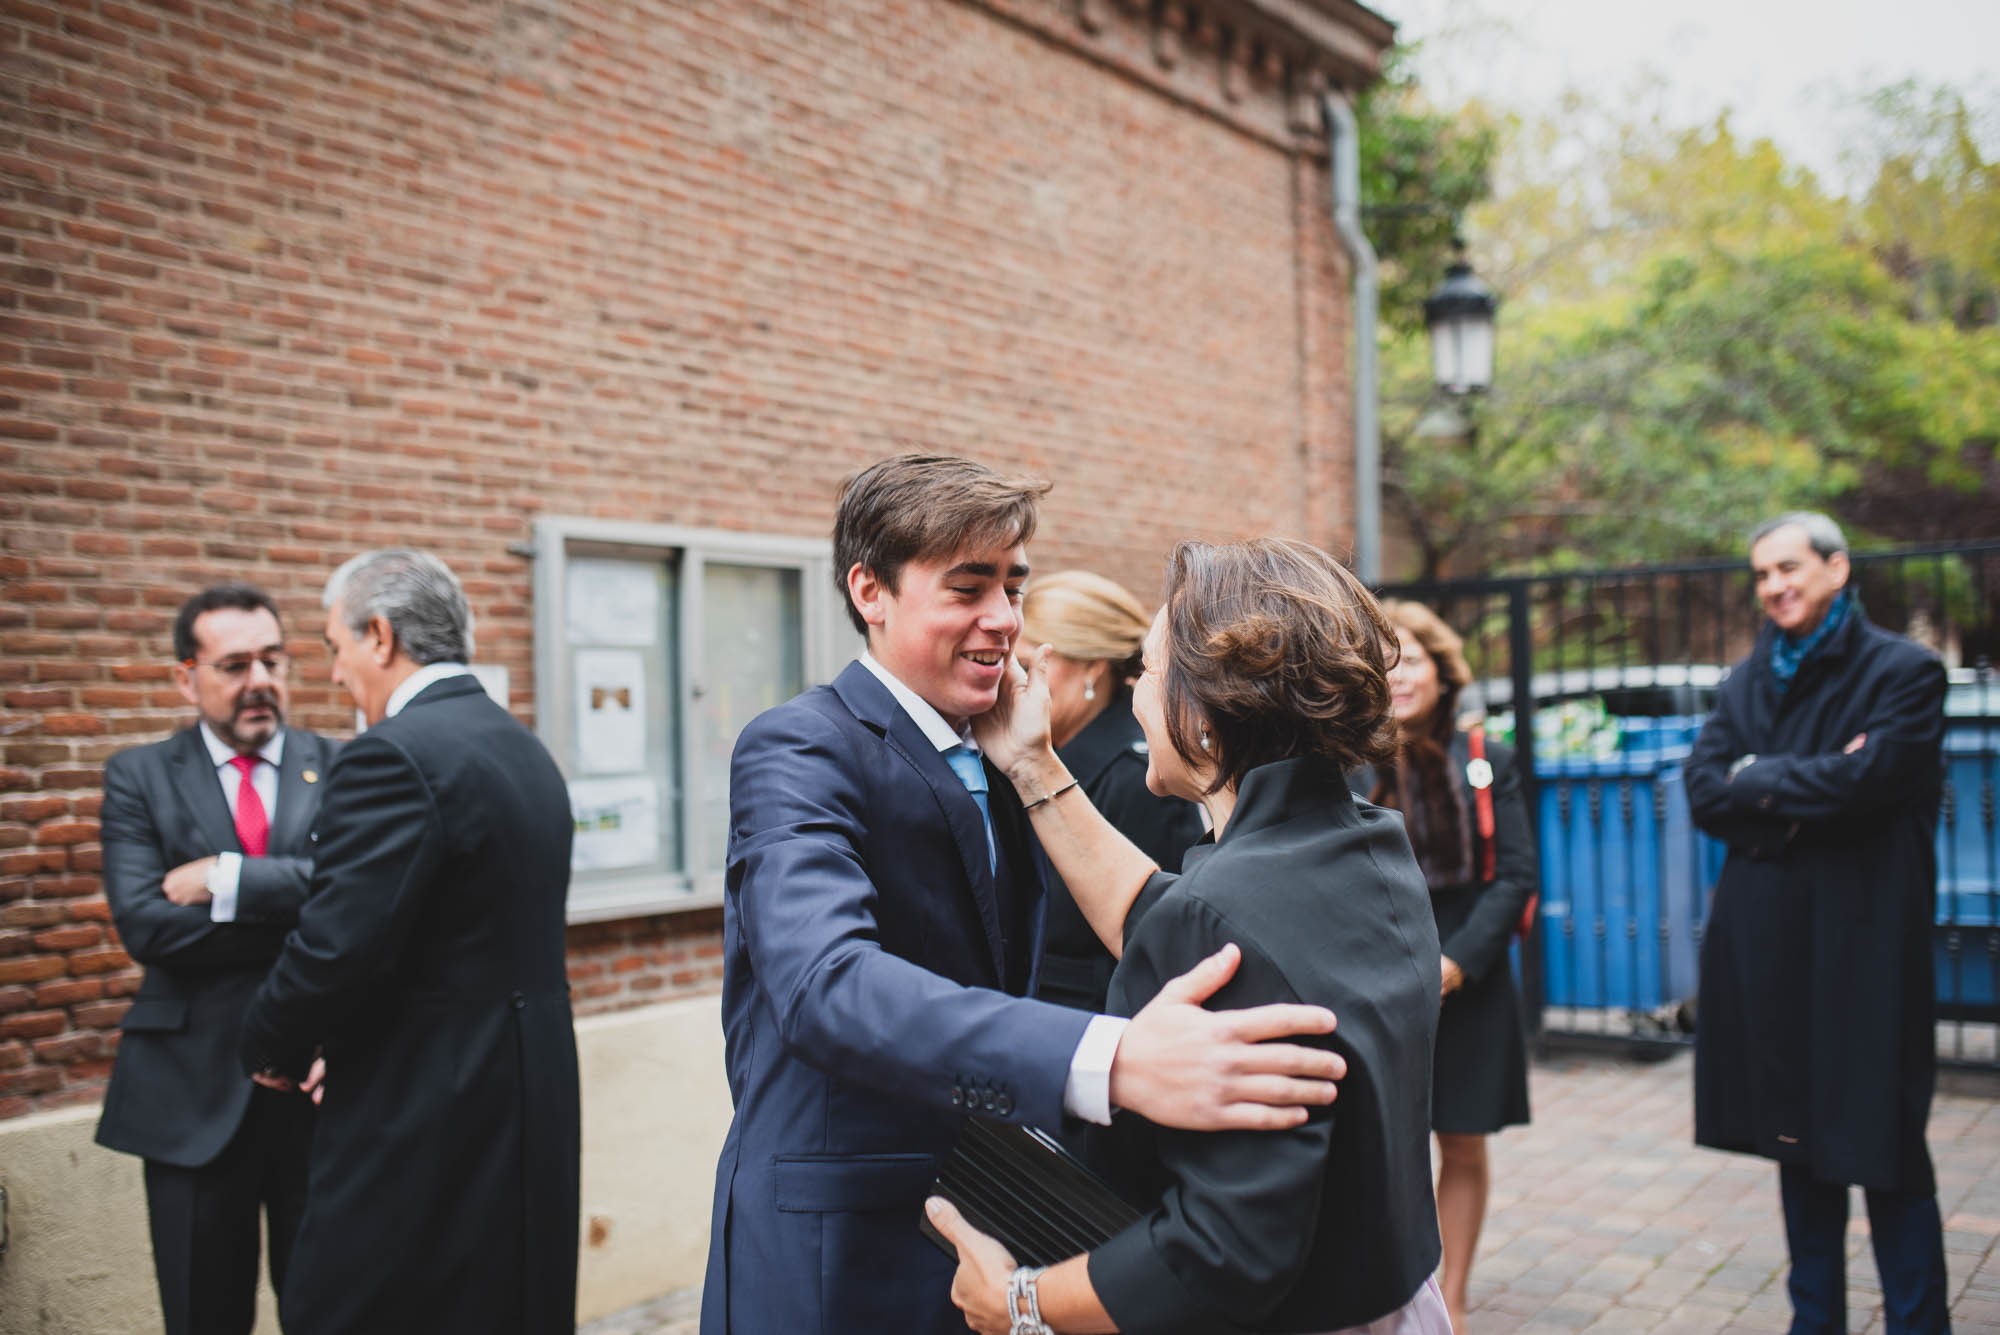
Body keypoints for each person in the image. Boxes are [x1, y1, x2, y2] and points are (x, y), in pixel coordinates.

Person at [703, 456, 1351, 1335]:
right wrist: (1112, 1060)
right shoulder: (799, 747)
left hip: (994, 1228)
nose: (1004, 620)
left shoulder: (1010, 745)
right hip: (841, 1247)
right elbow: (825, 984)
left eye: (1015, 587)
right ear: (871, 591)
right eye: (968, 589)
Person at [932, 536, 1449, 1335]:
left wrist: (1018, 1302)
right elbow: (1159, 910)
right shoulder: (1366, 844)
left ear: (1205, 712)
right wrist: (1031, 764)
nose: (1137, 695)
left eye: (1149, 670)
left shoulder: (1222, 911)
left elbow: (1221, 1251)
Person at [239, 549, 580, 1335]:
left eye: (334, 645)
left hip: (425, 1109)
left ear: (381, 636)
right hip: (529, 1102)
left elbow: (335, 943)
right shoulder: (521, 749)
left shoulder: (391, 755)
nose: (332, 674)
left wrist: (270, 1045)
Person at [1685, 512, 1950, 1335]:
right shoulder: (1745, 681)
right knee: (1796, 1141)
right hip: (1771, 949)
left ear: (1838, 568)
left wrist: (1758, 779)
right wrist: (1809, 786)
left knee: (1886, 1145)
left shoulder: (1906, 671)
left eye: (1790, 567)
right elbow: (1703, 789)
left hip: (1867, 946)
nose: (1774, 586)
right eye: (1762, 573)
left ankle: (1918, 1321)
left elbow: (1874, 781)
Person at [95, 583, 334, 1335]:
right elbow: (147, 928)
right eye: (234, 664)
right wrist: (306, 916)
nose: (259, 680)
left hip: (321, 1088)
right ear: (185, 675)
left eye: (272, 659)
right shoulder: (138, 776)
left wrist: (226, 881)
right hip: (190, 1094)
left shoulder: (346, 764)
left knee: (331, 1311)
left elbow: (362, 900)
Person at [1357, 599, 1534, 1335]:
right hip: (1377, 975)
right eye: (1387, 661)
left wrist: (1456, 963)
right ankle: (1397, 1283)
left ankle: (1451, 1296)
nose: (1402, 676)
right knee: (1384, 1143)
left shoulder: (1486, 754)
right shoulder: (1349, 760)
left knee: (1460, 1139)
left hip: (1470, 972)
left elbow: (1517, 873)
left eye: (1416, 658)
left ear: (1442, 668)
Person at [1021, 570, 1204, 1012]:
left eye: (1032, 665)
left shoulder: (1140, 777)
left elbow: (1154, 934)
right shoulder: (1034, 749)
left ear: (1091, 665)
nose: (1018, 681)